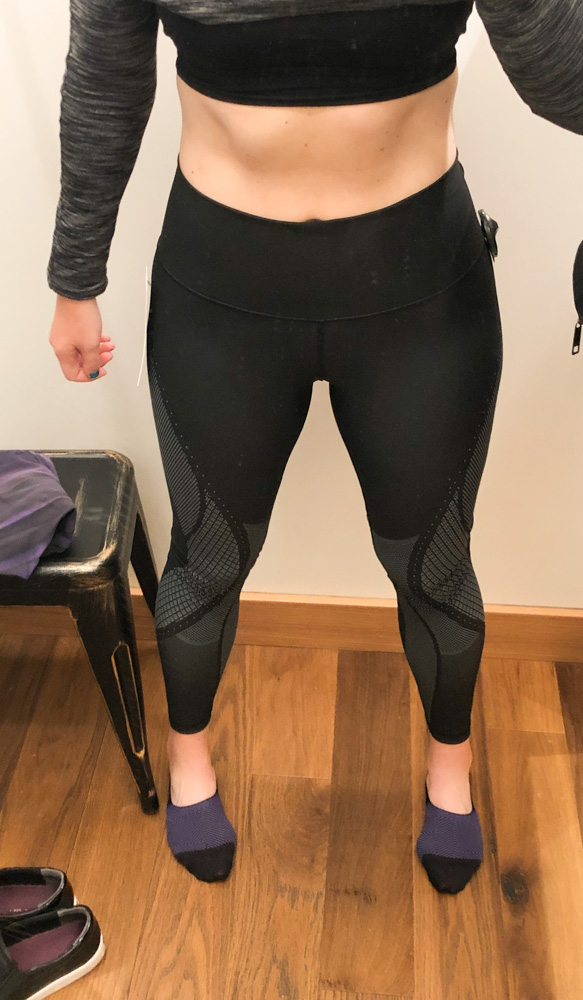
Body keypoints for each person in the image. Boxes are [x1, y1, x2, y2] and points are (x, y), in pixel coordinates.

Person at [46, 0, 583, 896]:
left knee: (434, 564)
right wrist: (75, 277)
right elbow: (105, 74)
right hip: (219, 290)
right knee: (209, 556)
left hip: (420, 288)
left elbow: (557, 70)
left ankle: (449, 767)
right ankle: (189, 756)